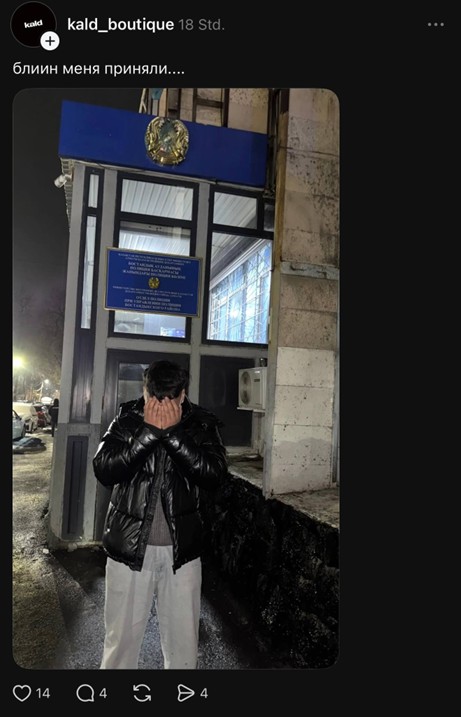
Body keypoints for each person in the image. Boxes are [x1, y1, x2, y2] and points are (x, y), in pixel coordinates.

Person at [92, 359, 228, 669]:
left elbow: (214, 476)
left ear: (183, 395)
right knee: (120, 643)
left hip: (182, 553)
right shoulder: (127, 418)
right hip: (128, 549)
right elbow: (104, 469)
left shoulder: (201, 423)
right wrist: (148, 434)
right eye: (155, 399)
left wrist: (174, 434)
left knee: (183, 648)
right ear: (144, 391)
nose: (162, 407)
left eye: (171, 400)